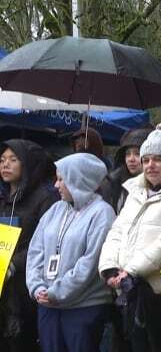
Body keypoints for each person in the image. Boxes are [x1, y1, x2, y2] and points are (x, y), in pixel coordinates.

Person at [98, 126, 161, 352]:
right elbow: (116, 232)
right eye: (146, 160)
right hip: (126, 291)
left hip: (159, 295)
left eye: (158, 159)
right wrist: (110, 269)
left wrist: (132, 270)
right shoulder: (134, 191)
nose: (150, 165)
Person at [26, 153, 116, 352]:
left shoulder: (102, 213)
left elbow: (90, 262)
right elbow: (36, 250)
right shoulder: (56, 209)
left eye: (61, 179)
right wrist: (36, 286)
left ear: (78, 180)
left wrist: (57, 292)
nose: (56, 185)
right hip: (47, 303)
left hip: (83, 307)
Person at [0, 139, 59, 352]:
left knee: (23, 341)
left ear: (26, 164)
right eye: (2, 160)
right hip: (4, 285)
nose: (5, 165)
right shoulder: (3, 198)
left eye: (13, 160)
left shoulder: (45, 198)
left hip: (27, 286)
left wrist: (14, 264)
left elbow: (43, 243)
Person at [100, 128, 152, 214]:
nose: (131, 159)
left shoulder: (155, 188)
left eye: (137, 153)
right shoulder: (114, 184)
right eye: (128, 154)